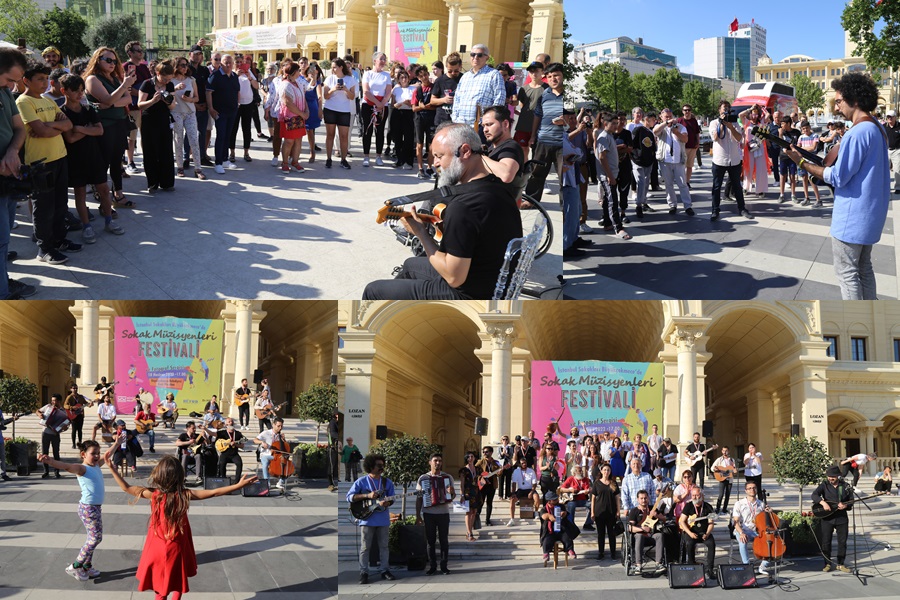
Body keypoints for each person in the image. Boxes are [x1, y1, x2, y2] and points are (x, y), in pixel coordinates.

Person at [363, 123, 522, 299]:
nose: (435, 163)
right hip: (488, 281)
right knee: (410, 265)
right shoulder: (497, 186)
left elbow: (454, 278)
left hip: (468, 295)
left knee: (373, 290)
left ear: (465, 151)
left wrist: (421, 233)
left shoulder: (463, 206)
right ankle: (403, 314)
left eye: (439, 156)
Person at [783, 72, 890, 300]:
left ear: (855, 100)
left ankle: (855, 323)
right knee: (864, 269)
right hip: (871, 215)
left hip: (852, 217)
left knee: (847, 274)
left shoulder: (857, 132)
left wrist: (801, 162)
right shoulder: (877, 128)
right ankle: (870, 316)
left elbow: (838, 177)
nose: (837, 106)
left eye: (839, 101)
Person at [106, 449, 256, 598]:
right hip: (177, 545)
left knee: (160, 587)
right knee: (177, 578)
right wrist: (237, 486)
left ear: (159, 475)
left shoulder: (154, 494)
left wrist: (113, 469)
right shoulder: (184, 495)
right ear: (180, 476)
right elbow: (213, 492)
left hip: (156, 546)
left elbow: (126, 487)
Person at [17, 60, 77, 265]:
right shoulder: (24, 102)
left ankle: (59, 240)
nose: (44, 83)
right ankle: (44, 248)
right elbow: (39, 132)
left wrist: (50, 125)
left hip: (60, 157)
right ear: (26, 80)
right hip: (39, 163)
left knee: (61, 203)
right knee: (43, 207)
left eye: (46, 79)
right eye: (40, 79)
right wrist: (55, 127)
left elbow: (68, 124)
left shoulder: (48, 100)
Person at [38, 440, 105, 581]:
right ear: (83, 454)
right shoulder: (82, 469)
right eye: (93, 453)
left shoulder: (97, 465)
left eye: (98, 453)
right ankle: (75, 566)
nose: (97, 456)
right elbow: (67, 466)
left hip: (95, 508)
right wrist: (50, 462)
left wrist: (117, 443)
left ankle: (87, 566)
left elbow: (108, 454)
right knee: (95, 538)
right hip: (88, 509)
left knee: (92, 538)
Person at [347, 453, 396, 584]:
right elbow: (350, 497)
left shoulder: (387, 482)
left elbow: (392, 498)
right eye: (378, 465)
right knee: (365, 547)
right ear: (370, 466)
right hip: (367, 518)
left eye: (382, 465)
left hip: (383, 519)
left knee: (384, 546)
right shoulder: (361, 482)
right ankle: (364, 572)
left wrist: (387, 503)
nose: (382, 467)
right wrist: (367, 495)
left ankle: (385, 570)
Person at [524, 62, 565, 203]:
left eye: (556, 75)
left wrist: (565, 120)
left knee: (564, 177)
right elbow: (537, 115)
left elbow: (577, 119)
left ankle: (565, 206)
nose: (553, 79)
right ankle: (531, 201)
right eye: (550, 76)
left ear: (563, 76)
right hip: (543, 141)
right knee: (536, 173)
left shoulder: (570, 94)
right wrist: (533, 136)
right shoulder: (545, 94)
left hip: (563, 144)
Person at [710, 100, 753, 221]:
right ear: (719, 110)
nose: (726, 109)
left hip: (734, 160)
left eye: (728, 108)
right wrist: (722, 124)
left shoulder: (734, 123)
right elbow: (715, 137)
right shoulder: (714, 123)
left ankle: (742, 208)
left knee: (737, 186)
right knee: (716, 187)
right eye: (724, 108)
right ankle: (715, 210)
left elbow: (739, 138)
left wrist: (731, 127)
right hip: (719, 160)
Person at [137, 60, 176, 192]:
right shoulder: (147, 84)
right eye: (165, 78)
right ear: (157, 73)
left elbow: (173, 106)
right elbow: (140, 105)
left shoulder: (170, 86)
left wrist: (167, 101)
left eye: (169, 79)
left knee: (166, 151)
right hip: (149, 121)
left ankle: (167, 182)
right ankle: (152, 182)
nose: (167, 81)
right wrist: (153, 100)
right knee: (150, 151)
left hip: (164, 120)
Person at [415, 453, 456, 575]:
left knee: (444, 540)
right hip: (429, 513)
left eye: (440, 461)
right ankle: (432, 566)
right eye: (435, 460)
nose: (438, 463)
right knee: (430, 541)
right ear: (430, 462)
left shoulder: (447, 477)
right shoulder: (423, 478)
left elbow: (452, 497)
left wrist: (452, 493)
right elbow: (419, 498)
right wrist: (418, 515)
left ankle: (444, 566)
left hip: (443, 513)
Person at [451, 44, 505, 128]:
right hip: (461, 125)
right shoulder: (465, 77)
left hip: (481, 126)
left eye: (479, 55)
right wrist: (455, 119)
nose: (475, 57)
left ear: (486, 57)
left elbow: (499, 100)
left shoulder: (494, 75)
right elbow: (457, 99)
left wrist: (488, 122)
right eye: (472, 54)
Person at [811, 465, 853, 572]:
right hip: (827, 518)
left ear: (838, 476)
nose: (830, 478)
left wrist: (845, 506)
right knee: (826, 541)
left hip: (841, 518)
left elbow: (851, 500)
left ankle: (841, 564)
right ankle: (827, 563)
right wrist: (823, 502)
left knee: (842, 542)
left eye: (833, 477)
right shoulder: (824, 485)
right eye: (829, 476)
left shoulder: (845, 486)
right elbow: (814, 495)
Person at [596, 112, 631, 241]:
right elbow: (602, 157)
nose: (616, 126)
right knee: (612, 201)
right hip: (607, 176)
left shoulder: (610, 136)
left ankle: (607, 223)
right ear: (605, 124)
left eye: (617, 123)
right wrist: (610, 176)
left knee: (607, 200)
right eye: (614, 123)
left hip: (611, 174)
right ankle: (618, 227)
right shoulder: (604, 137)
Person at [170, 57, 206, 180]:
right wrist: (175, 88)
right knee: (178, 140)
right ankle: (180, 167)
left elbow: (197, 98)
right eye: (182, 65)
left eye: (186, 65)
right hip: (176, 112)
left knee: (194, 139)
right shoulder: (171, 81)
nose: (185, 67)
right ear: (176, 66)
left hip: (190, 112)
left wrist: (189, 99)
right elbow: (166, 94)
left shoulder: (191, 80)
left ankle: (198, 168)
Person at [654, 108, 693, 216]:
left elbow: (685, 139)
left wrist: (676, 132)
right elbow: (655, 132)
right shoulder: (661, 127)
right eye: (666, 117)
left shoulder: (681, 127)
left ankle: (688, 206)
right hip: (665, 161)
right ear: (661, 117)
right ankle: (672, 205)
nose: (669, 118)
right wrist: (665, 123)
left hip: (678, 161)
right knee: (668, 184)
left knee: (683, 184)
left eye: (670, 116)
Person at [207, 54, 241, 174]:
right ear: (221, 63)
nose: (228, 64)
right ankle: (218, 163)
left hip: (232, 111)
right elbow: (209, 92)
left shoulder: (234, 76)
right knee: (221, 136)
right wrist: (211, 108)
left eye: (230, 62)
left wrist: (237, 104)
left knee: (228, 135)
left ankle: (225, 159)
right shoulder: (215, 76)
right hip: (219, 112)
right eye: (226, 62)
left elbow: (237, 91)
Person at [322, 58, 356, 169]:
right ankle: (328, 159)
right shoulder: (329, 79)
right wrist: (333, 89)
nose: (333, 69)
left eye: (334, 67)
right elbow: (326, 96)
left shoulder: (350, 79)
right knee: (330, 135)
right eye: (332, 67)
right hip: (330, 109)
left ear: (341, 67)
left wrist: (346, 89)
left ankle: (343, 159)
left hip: (344, 110)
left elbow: (352, 97)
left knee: (344, 136)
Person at [732, 480, 772, 575]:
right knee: (743, 541)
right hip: (742, 530)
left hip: (756, 531)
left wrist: (770, 512)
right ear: (746, 490)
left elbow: (765, 521)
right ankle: (747, 566)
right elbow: (736, 522)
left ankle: (763, 566)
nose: (752, 490)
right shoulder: (739, 504)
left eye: (754, 488)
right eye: (749, 488)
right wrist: (741, 532)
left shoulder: (761, 504)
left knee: (771, 542)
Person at [123, 41, 151, 174]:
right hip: (132, 107)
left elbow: (149, 85)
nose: (141, 52)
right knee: (132, 136)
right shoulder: (125, 67)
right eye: (138, 50)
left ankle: (147, 160)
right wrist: (137, 92)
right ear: (130, 53)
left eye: (141, 50)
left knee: (145, 134)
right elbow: (125, 88)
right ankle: (130, 162)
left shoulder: (144, 68)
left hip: (145, 107)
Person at [361, 52, 393, 167]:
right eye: (381, 59)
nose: (383, 61)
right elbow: (366, 91)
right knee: (367, 130)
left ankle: (378, 156)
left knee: (380, 131)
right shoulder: (368, 74)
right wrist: (377, 103)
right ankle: (366, 156)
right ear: (374, 60)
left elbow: (389, 91)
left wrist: (382, 104)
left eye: (385, 59)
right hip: (368, 105)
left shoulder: (386, 75)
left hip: (382, 106)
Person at [277, 62, 309, 173]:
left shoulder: (297, 83)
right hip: (289, 117)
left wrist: (306, 110)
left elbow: (303, 97)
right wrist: (302, 113)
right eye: (298, 70)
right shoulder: (285, 85)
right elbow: (288, 103)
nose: (300, 72)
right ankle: (285, 163)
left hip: (299, 116)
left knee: (298, 140)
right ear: (293, 72)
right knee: (289, 141)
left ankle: (295, 162)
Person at [679, 485, 717, 580]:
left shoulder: (708, 507)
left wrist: (707, 533)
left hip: (704, 532)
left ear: (702, 496)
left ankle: (709, 569)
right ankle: (692, 567)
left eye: (697, 495)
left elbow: (711, 523)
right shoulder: (688, 506)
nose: (695, 497)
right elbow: (682, 521)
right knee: (689, 543)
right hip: (691, 532)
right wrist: (689, 533)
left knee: (711, 543)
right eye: (693, 495)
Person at [627, 489, 667, 574]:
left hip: (651, 535)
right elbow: (630, 528)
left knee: (659, 535)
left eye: (645, 498)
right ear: (638, 499)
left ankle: (658, 564)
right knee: (639, 536)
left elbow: (664, 519)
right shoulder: (634, 511)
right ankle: (638, 565)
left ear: (648, 498)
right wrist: (641, 529)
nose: (643, 500)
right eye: (641, 498)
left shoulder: (653, 508)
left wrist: (657, 515)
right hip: (639, 537)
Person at [514, 61, 547, 163]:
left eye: (536, 71)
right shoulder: (524, 88)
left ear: (542, 72)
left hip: (540, 126)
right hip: (524, 124)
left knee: (537, 151)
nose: (534, 74)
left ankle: (534, 172)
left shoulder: (547, 89)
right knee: (522, 149)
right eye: (531, 71)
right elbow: (521, 104)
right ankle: (524, 170)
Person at [185, 45, 212, 168]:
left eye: (199, 54)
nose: (197, 56)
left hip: (203, 106)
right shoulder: (185, 69)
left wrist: (207, 104)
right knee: (189, 133)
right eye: (195, 53)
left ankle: (202, 156)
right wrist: (194, 104)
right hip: (190, 106)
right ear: (190, 54)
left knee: (202, 132)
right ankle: (186, 157)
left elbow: (207, 89)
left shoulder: (205, 70)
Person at [629, 111, 658, 219]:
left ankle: (643, 202)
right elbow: (632, 144)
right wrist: (635, 157)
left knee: (646, 183)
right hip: (638, 161)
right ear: (647, 120)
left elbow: (652, 147)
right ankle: (638, 205)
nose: (654, 122)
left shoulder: (650, 132)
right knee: (641, 182)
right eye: (653, 120)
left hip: (648, 161)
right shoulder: (638, 130)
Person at [230, 59, 259, 163]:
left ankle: (246, 152)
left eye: (240, 62)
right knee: (233, 129)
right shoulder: (231, 73)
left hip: (248, 103)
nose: (239, 64)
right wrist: (236, 76)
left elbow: (256, 86)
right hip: (235, 104)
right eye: (236, 62)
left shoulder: (249, 72)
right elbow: (229, 86)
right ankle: (232, 153)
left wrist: (250, 78)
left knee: (246, 129)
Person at [412, 63, 438, 178]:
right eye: (422, 76)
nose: (425, 77)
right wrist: (422, 107)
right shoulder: (417, 90)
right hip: (419, 119)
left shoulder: (434, 87)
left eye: (426, 75)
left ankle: (429, 167)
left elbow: (436, 105)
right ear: (418, 78)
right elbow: (414, 108)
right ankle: (420, 168)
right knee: (419, 144)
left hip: (432, 118)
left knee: (431, 145)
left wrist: (428, 106)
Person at [590, 463, 621, 560]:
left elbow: (617, 498)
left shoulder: (613, 483)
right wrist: (592, 512)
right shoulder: (597, 483)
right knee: (601, 534)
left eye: (608, 470)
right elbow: (593, 498)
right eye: (605, 470)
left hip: (611, 511)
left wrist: (618, 511)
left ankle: (613, 553)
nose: (606, 472)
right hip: (600, 512)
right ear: (601, 471)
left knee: (612, 533)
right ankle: (601, 552)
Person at [740, 104, 770, 197]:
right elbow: (740, 115)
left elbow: (768, 115)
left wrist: (762, 109)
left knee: (760, 169)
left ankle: (760, 189)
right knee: (748, 168)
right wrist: (750, 109)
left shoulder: (761, 123)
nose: (754, 116)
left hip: (759, 147)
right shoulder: (747, 122)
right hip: (749, 148)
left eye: (756, 114)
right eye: (753, 114)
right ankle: (746, 187)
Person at [429, 53, 462, 136]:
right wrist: (444, 100)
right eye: (450, 71)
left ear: (460, 67)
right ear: (446, 67)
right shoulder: (440, 80)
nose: (453, 73)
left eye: (456, 71)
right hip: (442, 120)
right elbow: (432, 100)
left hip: (459, 120)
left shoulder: (464, 79)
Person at [35, 394, 67, 478]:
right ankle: (46, 471)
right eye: (52, 400)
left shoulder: (63, 412)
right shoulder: (48, 407)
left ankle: (57, 472)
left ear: (59, 401)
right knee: (45, 452)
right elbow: (37, 411)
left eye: (55, 400)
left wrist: (63, 428)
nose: (53, 402)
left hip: (55, 434)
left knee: (56, 453)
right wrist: (40, 415)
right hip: (45, 433)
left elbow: (65, 426)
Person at [539, 491, 576, 564]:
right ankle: (546, 553)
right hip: (550, 531)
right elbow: (543, 516)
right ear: (549, 501)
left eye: (557, 499)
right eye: (554, 499)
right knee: (547, 540)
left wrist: (563, 513)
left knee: (567, 537)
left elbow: (565, 512)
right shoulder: (544, 509)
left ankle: (570, 550)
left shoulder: (561, 506)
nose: (557, 500)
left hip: (561, 530)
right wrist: (549, 516)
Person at [389, 70, 416, 169]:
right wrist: (400, 104)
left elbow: (414, 104)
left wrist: (407, 103)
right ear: (399, 80)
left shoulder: (413, 89)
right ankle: (399, 159)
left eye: (405, 77)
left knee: (408, 138)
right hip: (398, 113)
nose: (404, 79)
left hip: (409, 113)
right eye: (402, 78)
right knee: (398, 137)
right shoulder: (396, 89)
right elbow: (392, 104)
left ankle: (408, 161)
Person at [254, 417, 289, 490]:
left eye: (281, 426)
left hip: (276, 456)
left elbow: (284, 449)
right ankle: (267, 482)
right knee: (265, 461)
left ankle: (280, 482)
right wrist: (262, 442)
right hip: (266, 454)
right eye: (278, 426)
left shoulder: (280, 435)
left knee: (289, 465)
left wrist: (284, 440)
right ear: (273, 425)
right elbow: (255, 440)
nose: (280, 428)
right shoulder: (266, 433)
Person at [475, 445, 503, 526]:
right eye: (483, 452)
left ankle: (487, 520)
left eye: (486, 452)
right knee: (481, 502)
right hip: (483, 485)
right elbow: (475, 472)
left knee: (489, 503)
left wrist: (500, 472)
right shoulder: (480, 462)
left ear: (491, 452)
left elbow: (499, 473)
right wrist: (481, 477)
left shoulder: (496, 462)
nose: (484, 453)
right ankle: (476, 519)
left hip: (492, 485)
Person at [559, 464, 593, 530]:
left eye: (581, 471)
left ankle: (588, 524)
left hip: (583, 500)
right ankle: (571, 524)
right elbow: (561, 489)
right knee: (571, 505)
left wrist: (588, 491)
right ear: (574, 473)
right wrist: (569, 490)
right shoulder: (570, 479)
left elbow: (587, 489)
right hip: (573, 500)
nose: (581, 472)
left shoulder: (585, 479)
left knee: (593, 505)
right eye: (579, 471)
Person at [796, 120, 822, 206]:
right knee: (804, 178)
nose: (805, 130)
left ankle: (818, 199)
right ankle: (806, 197)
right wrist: (804, 149)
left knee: (812, 180)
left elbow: (813, 148)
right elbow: (797, 148)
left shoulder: (815, 136)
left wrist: (802, 149)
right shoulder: (801, 137)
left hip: (812, 161)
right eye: (803, 129)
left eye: (806, 128)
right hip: (803, 160)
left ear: (809, 127)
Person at [508, 455, 539, 525]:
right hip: (520, 490)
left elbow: (534, 483)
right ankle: (512, 519)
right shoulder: (516, 471)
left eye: (525, 463)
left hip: (530, 489)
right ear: (519, 464)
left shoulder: (531, 471)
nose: (524, 464)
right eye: (522, 463)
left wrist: (532, 491)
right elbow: (514, 483)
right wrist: (513, 493)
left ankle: (536, 512)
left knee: (537, 497)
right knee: (512, 500)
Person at [459, 451, 481, 540]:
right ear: (466, 459)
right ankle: (469, 533)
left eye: (472, 456)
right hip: (468, 492)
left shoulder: (478, 469)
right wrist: (462, 495)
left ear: (475, 458)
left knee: (474, 512)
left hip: (476, 492)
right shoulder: (463, 470)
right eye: (468, 457)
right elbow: (462, 483)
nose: (470, 458)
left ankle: (469, 531)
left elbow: (480, 480)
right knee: (468, 512)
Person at [776, 116, 800, 202]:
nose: (781, 125)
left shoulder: (796, 132)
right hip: (783, 156)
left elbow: (799, 143)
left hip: (793, 157)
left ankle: (793, 194)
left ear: (788, 124)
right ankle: (781, 194)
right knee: (783, 176)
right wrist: (780, 134)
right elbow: (779, 143)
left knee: (792, 176)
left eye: (783, 123)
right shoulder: (782, 132)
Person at [175, 421, 206, 485]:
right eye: (193, 428)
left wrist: (205, 436)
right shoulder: (183, 435)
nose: (194, 429)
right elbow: (177, 443)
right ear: (188, 428)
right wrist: (189, 442)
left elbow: (208, 443)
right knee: (185, 456)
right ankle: (183, 477)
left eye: (195, 428)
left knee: (199, 456)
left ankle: (198, 477)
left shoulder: (198, 436)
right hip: (186, 453)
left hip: (195, 454)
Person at [677, 104, 701, 186]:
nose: (687, 111)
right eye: (685, 110)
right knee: (682, 166)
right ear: (682, 111)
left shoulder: (694, 121)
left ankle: (687, 182)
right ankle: (682, 182)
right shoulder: (679, 121)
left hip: (692, 146)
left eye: (689, 110)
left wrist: (698, 142)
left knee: (690, 166)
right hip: (682, 146)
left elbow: (697, 133)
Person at [711, 446, 736, 514]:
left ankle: (724, 509)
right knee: (721, 494)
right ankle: (717, 508)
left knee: (727, 495)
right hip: (722, 478)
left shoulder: (732, 460)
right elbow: (712, 467)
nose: (725, 452)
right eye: (723, 451)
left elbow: (733, 468)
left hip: (729, 479)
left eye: (726, 451)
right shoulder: (719, 459)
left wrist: (734, 470)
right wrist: (715, 469)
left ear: (729, 451)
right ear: (722, 451)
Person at [886, 110, 900, 194]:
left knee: (897, 170)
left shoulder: (899, 126)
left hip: (897, 150)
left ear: (895, 117)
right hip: (886, 150)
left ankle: (898, 187)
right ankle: (885, 187)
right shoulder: (884, 126)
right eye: (888, 117)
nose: (889, 118)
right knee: (885, 169)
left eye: (891, 117)